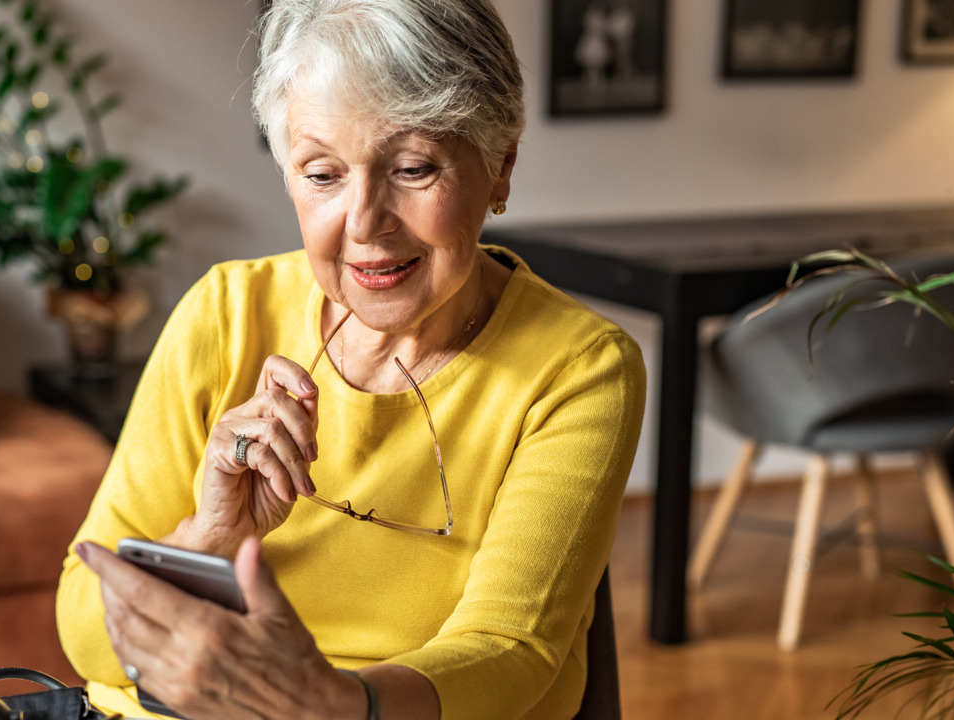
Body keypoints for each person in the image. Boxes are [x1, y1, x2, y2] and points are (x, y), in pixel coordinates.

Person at [55, 1, 646, 718]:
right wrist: (209, 538)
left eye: (414, 167)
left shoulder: (578, 369)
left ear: (500, 167)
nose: (365, 222)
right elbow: (87, 627)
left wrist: (333, 705)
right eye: (323, 175)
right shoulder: (225, 313)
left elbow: (513, 651)